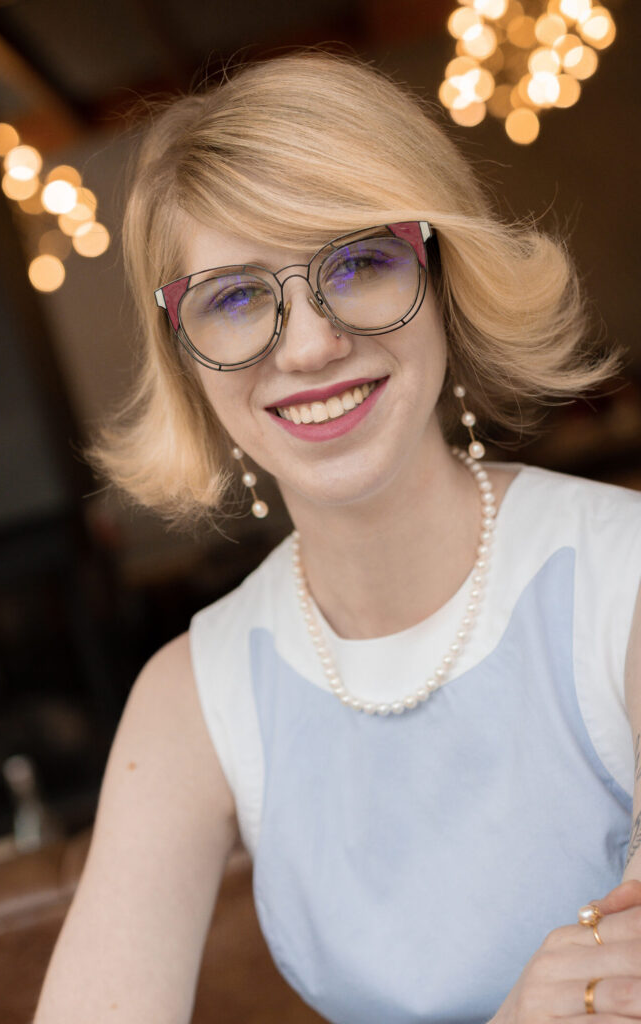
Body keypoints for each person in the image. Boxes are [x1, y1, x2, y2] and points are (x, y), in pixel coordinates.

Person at [34, 52, 641, 1023]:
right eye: (233, 297)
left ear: (441, 274)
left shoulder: (625, 580)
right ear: (185, 357)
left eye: (357, 264)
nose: (308, 344)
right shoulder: (189, 695)